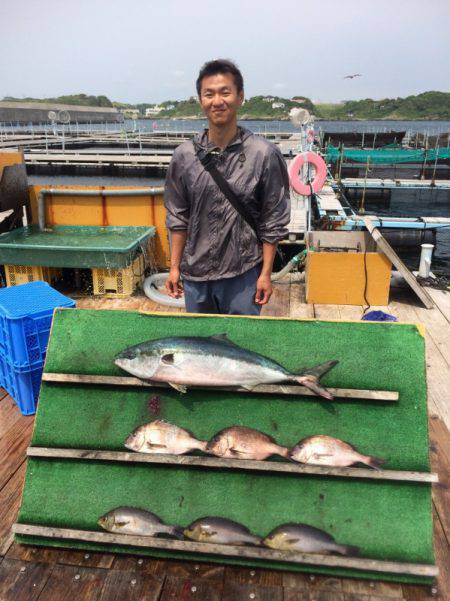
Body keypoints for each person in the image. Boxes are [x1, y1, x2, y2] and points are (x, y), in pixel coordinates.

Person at [164, 59, 290, 315]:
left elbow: (273, 218)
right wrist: (174, 267)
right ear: (200, 100)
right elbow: (178, 216)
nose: (217, 101)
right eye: (209, 94)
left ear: (240, 97)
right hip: (196, 275)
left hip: (243, 274)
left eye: (225, 92)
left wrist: (266, 274)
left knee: (241, 346)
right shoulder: (184, 156)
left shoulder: (264, 154)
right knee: (199, 349)